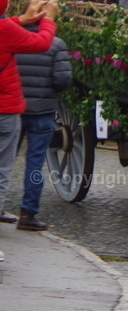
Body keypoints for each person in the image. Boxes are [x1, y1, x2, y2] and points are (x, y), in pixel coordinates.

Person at [0, 0, 60, 257]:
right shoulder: (7, 32)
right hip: (10, 108)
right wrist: (48, 19)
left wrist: (23, 19)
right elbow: (41, 43)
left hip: (16, 107)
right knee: (4, 169)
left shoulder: (8, 29)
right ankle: (28, 211)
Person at [15, 24, 72, 230]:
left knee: (4, 160)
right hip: (43, 110)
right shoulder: (56, 44)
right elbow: (63, 79)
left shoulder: (14, 40)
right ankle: (28, 213)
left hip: (15, 109)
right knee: (35, 163)